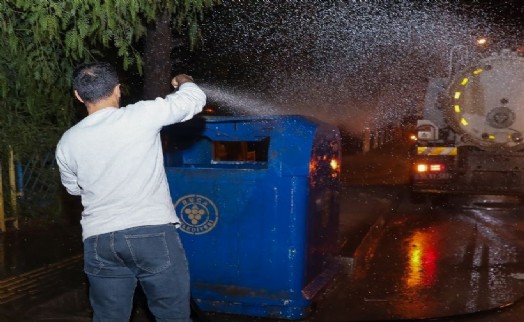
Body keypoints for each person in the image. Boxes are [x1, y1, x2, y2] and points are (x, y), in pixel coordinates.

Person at [55, 62, 206, 322]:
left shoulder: (67, 141)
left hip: (99, 240)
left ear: (78, 96)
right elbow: (194, 99)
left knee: (108, 318)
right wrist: (183, 78)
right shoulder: (140, 115)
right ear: (117, 90)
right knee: (172, 315)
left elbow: (73, 189)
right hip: (151, 233)